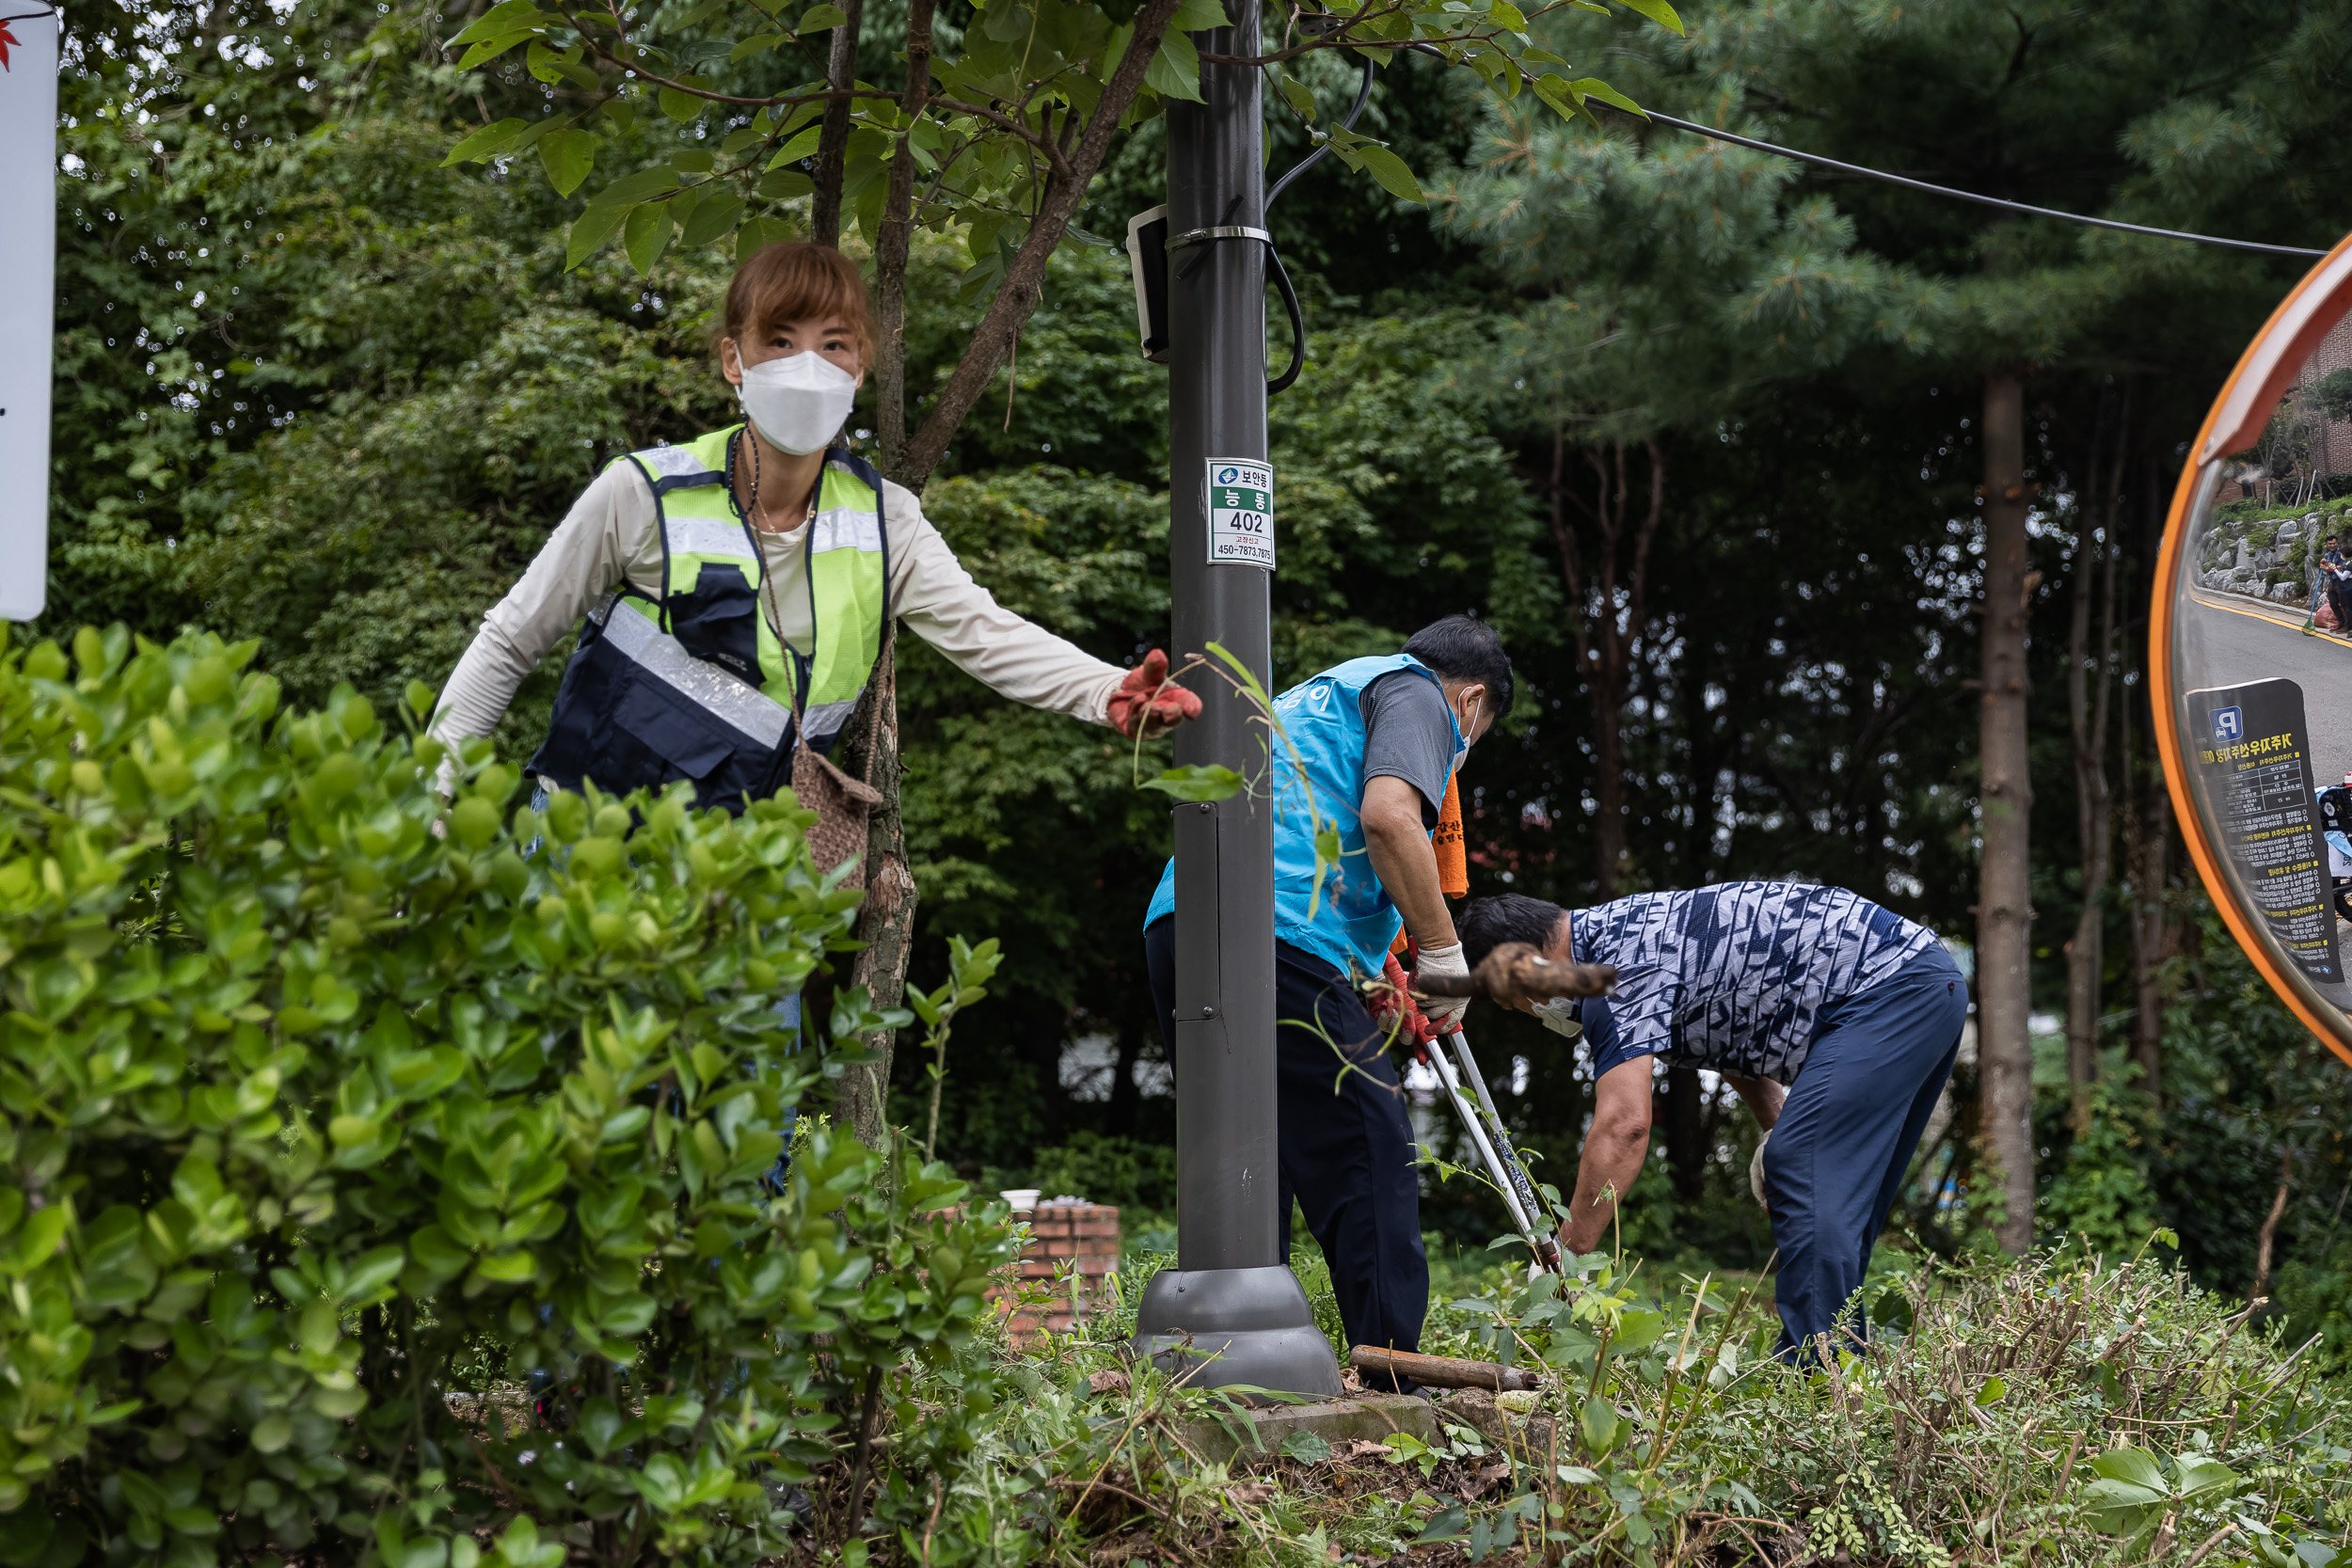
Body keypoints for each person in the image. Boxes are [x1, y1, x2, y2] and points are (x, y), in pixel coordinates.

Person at [430, 242, 1199, 819]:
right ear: (734, 359)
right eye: (780, 340)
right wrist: (428, 815)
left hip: (752, 889)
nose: (809, 365)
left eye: (834, 343)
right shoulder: (642, 493)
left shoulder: (884, 519)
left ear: (860, 365)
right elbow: (508, 642)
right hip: (588, 855)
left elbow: (987, 634)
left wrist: (1107, 690)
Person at [1140, 616, 1513, 1381]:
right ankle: (1397, 1373)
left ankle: (1236, 1365)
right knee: (1369, 1153)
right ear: (1472, 700)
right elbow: (1386, 818)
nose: (1463, 748)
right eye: (1477, 731)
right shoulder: (1419, 695)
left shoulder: (1331, 691)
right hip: (1277, 934)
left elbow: (1325, 827)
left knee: (1249, 1158)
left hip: (1183, 920)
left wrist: (1380, 977)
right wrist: (1443, 952)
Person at [1457, 883, 1966, 1361]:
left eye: (1515, 1001)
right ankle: (1842, 1363)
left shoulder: (1611, 972)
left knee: (1806, 1166)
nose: (1531, 1012)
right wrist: (1773, 1124)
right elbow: (1729, 1027)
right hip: (1918, 983)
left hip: (1888, 989)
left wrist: (1568, 1252)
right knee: (1836, 1189)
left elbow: (1625, 1126)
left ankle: (1817, 1369)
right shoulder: (1625, 933)